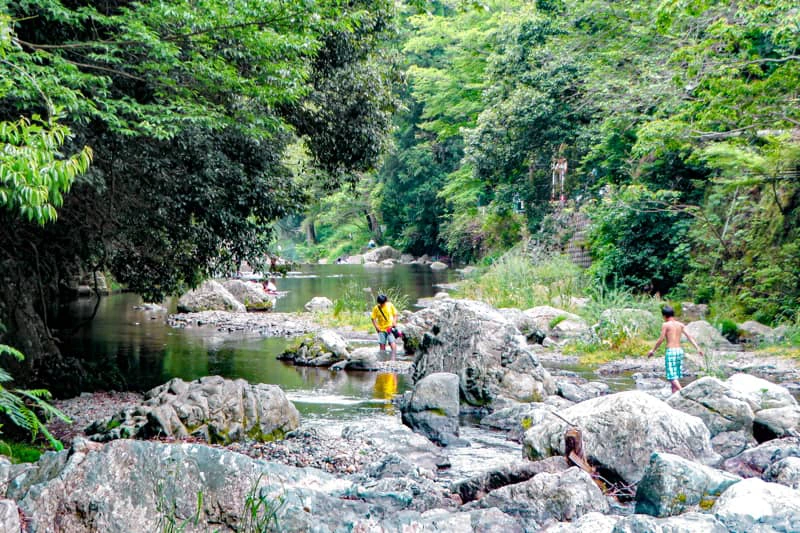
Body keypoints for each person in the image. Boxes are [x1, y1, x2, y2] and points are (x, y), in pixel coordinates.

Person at [647, 305, 704, 393]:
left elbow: (661, 339)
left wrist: (653, 350)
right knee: (676, 375)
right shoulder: (680, 325)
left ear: (664, 316)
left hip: (671, 351)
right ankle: (674, 395)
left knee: (671, 376)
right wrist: (698, 348)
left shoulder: (665, 325)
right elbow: (689, 337)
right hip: (679, 351)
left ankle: (683, 391)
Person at [370, 293, 398, 359]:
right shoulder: (376, 308)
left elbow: (395, 314)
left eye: (383, 303)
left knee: (392, 342)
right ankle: (383, 358)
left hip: (389, 327)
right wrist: (377, 327)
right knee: (382, 344)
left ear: (386, 301)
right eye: (380, 303)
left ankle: (394, 357)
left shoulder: (390, 305)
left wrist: (394, 322)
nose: (382, 304)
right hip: (381, 329)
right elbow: (373, 318)